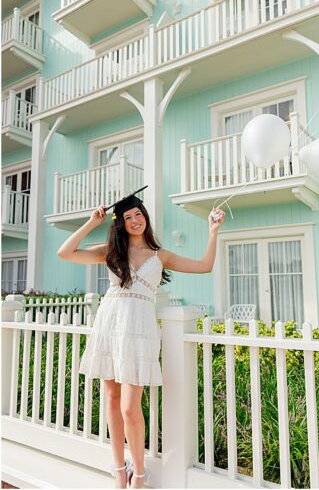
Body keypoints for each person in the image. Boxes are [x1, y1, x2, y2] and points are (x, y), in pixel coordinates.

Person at [58, 190, 225, 489]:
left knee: (130, 407)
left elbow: (204, 265)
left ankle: (139, 473)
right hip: (110, 323)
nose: (135, 220)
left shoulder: (161, 256)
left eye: (138, 215)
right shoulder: (111, 249)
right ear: (120, 223)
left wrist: (213, 232)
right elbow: (65, 253)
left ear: (145, 218)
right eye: (128, 217)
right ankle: (119, 469)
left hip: (139, 329)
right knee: (111, 398)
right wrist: (90, 223)